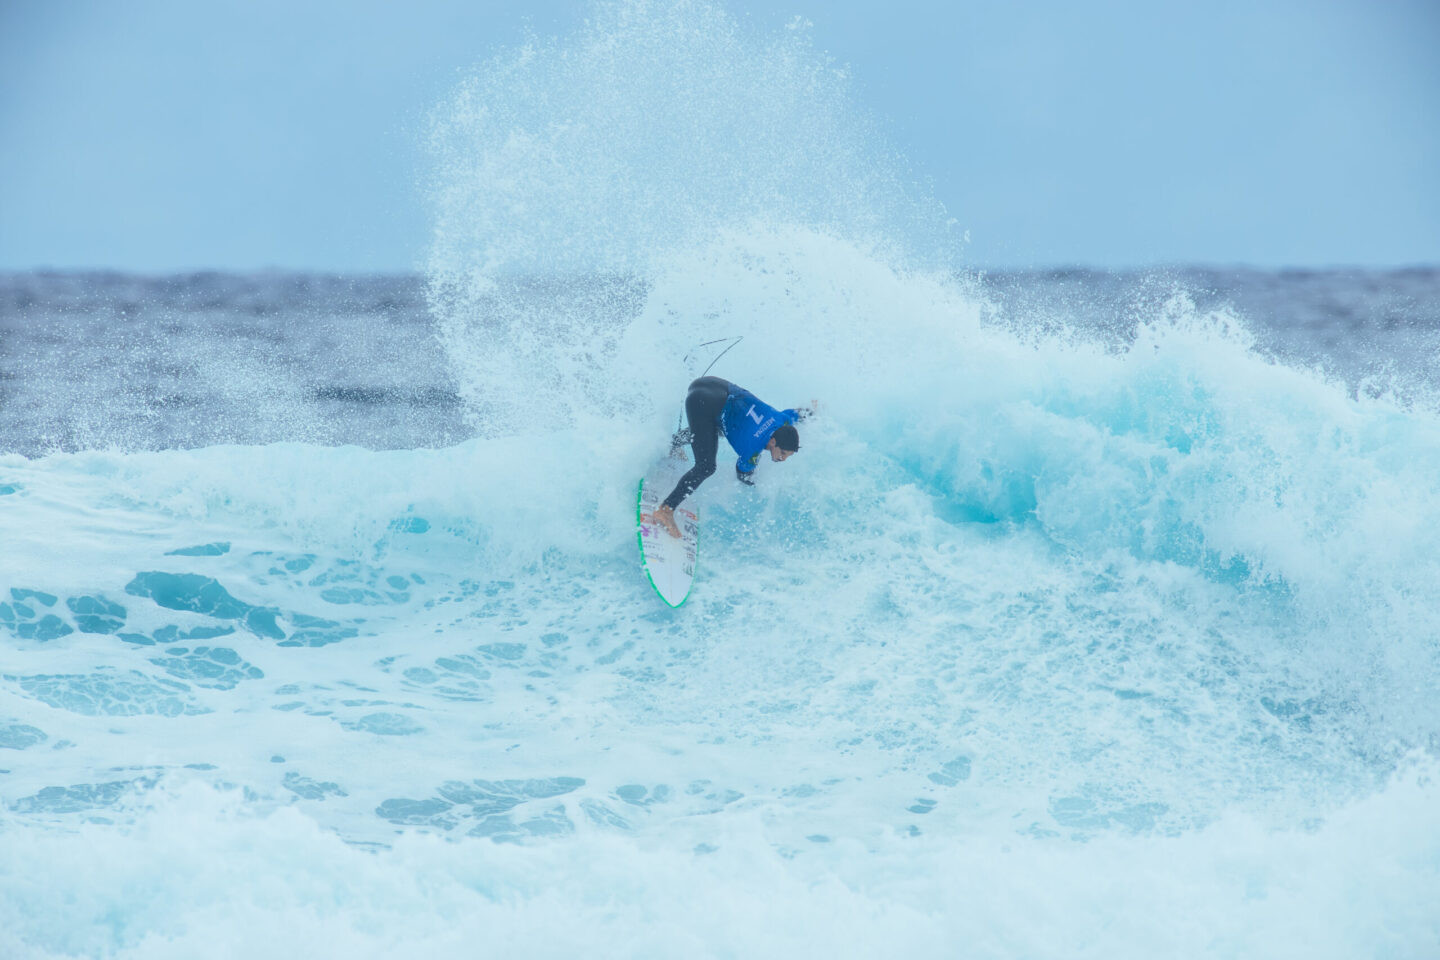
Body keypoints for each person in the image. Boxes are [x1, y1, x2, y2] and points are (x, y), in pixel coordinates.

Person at [646, 376, 809, 539]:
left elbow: (798, 413)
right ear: (773, 442)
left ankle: (670, 444)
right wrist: (754, 483)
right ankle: (665, 510)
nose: (783, 459)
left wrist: (811, 411)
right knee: (706, 467)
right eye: (782, 453)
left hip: (710, 384)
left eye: (787, 456)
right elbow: (742, 473)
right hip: (701, 402)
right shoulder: (751, 450)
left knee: (717, 428)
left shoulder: (783, 420)